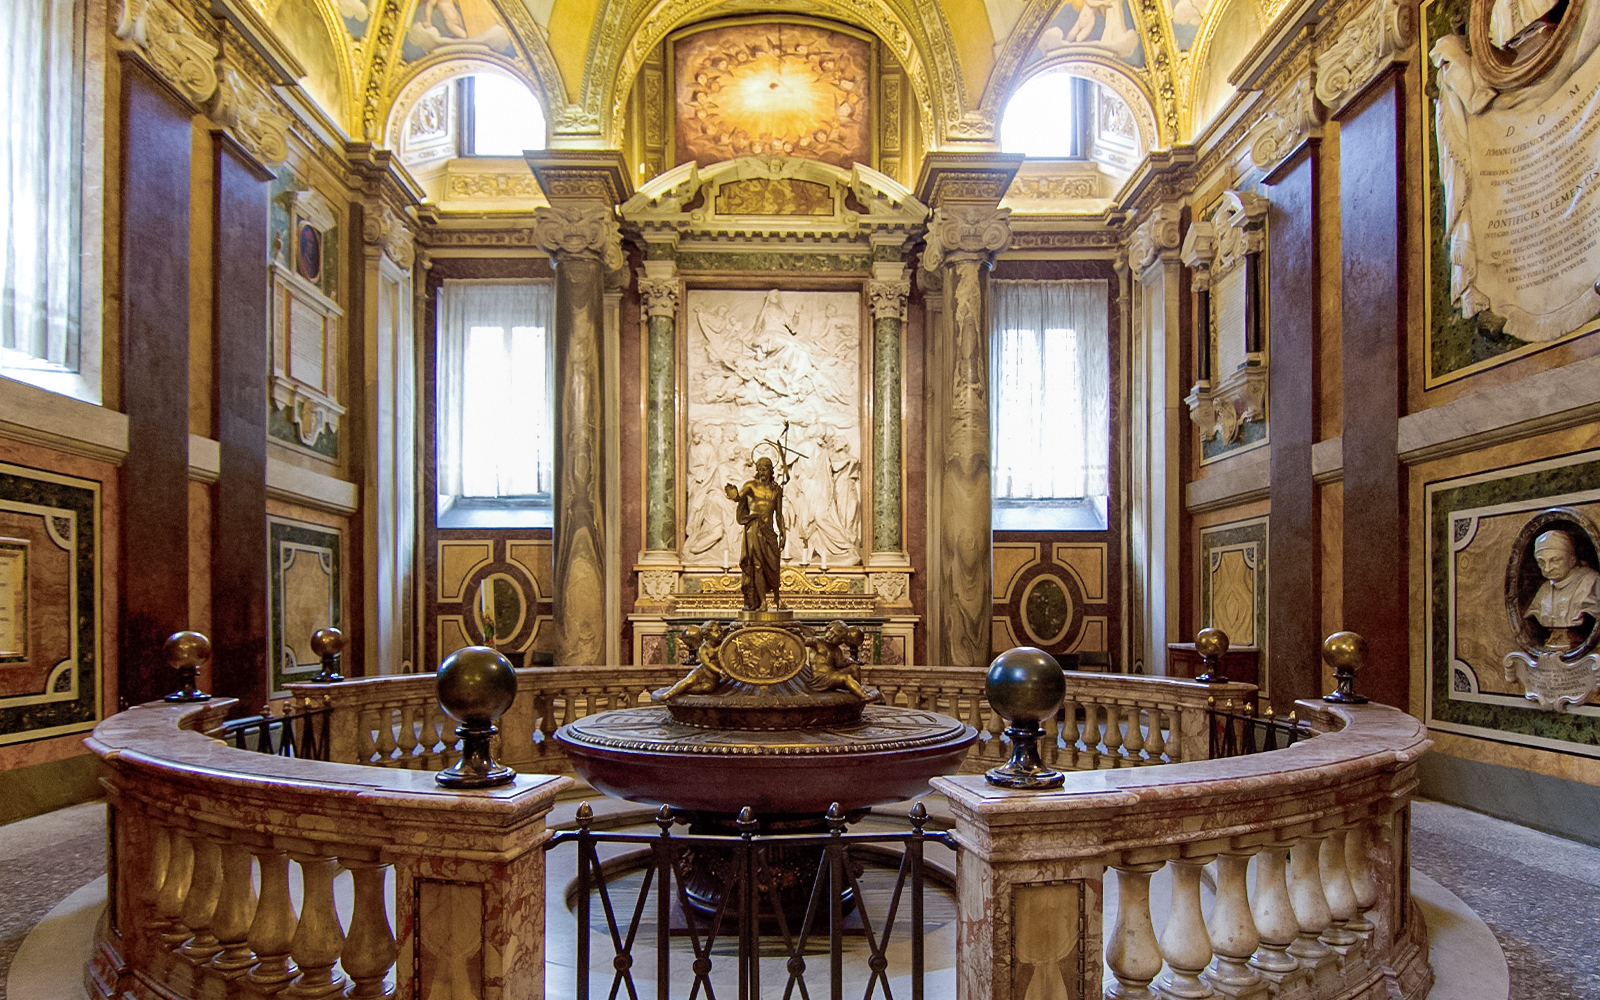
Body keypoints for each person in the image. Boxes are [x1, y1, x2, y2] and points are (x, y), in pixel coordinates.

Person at [725, 457, 786, 612]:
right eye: (759, 468)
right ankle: (763, 602)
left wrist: (783, 532)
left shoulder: (776, 490)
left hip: (769, 531)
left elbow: (779, 514)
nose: (761, 471)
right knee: (757, 566)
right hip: (753, 529)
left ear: (771, 470)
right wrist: (734, 495)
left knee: (774, 565)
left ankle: (777, 599)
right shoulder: (751, 486)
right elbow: (740, 497)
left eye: (765, 468)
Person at [1526, 529, 1600, 649]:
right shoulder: (1544, 589)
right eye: (1541, 562)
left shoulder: (1591, 582)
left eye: (1555, 560)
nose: (1547, 569)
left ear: (1572, 559)